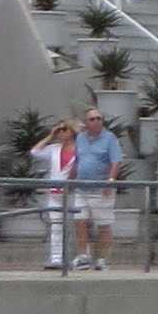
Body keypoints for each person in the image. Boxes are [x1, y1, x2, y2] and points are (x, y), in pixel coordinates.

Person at [64, 101, 127, 271]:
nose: (97, 121)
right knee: (80, 221)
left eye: (99, 118)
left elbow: (115, 162)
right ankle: (83, 256)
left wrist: (110, 182)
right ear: (87, 122)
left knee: (103, 224)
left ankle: (102, 259)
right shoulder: (81, 139)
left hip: (101, 190)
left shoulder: (110, 138)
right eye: (92, 119)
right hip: (81, 189)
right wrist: (69, 180)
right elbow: (78, 160)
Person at [33, 114, 80, 270]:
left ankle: (74, 258)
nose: (61, 132)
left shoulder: (80, 149)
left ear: (72, 131)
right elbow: (35, 152)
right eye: (58, 130)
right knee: (56, 226)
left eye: (64, 129)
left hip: (72, 193)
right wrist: (50, 135)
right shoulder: (53, 149)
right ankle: (56, 258)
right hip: (55, 193)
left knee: (74, 225)